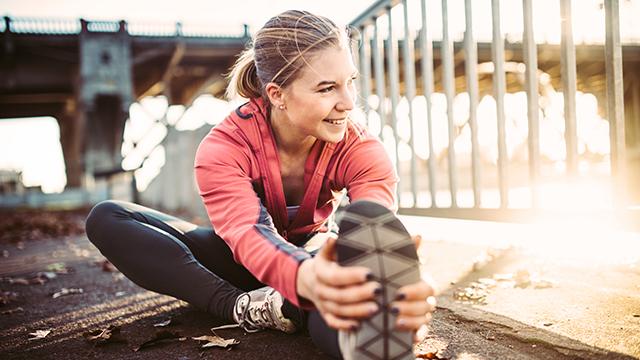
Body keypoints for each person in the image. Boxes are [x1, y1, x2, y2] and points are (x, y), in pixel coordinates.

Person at [85, 10, 436, 359]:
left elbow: (374, 225)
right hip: (240, 263)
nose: (348, 102)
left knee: (349, 260)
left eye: (350, 82)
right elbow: (246, 233)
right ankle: (245, 307)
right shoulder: (224, 147)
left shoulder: (360, 147)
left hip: (317, 259)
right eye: (327, 88)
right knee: (108, 217)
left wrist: (391, 290)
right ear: (277, 94)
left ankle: (329, 320)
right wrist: (300, 276)